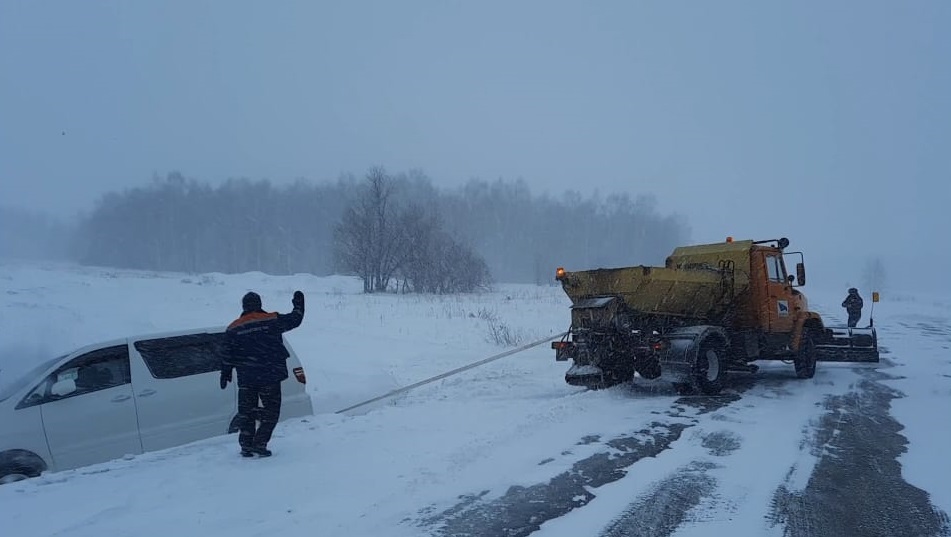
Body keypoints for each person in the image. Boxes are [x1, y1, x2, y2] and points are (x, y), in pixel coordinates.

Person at [220, 290, 305, 457]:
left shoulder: (233, 328)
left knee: (246, 412)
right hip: (270, 376)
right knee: (271, 411)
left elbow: (227, 354)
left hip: (246, 379)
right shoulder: (271, 320)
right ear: (259, 305)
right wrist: (299, 306)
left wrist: (226, 371)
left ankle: (246, 445)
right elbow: (295, 320)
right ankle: (260, 442)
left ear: (244, 307)